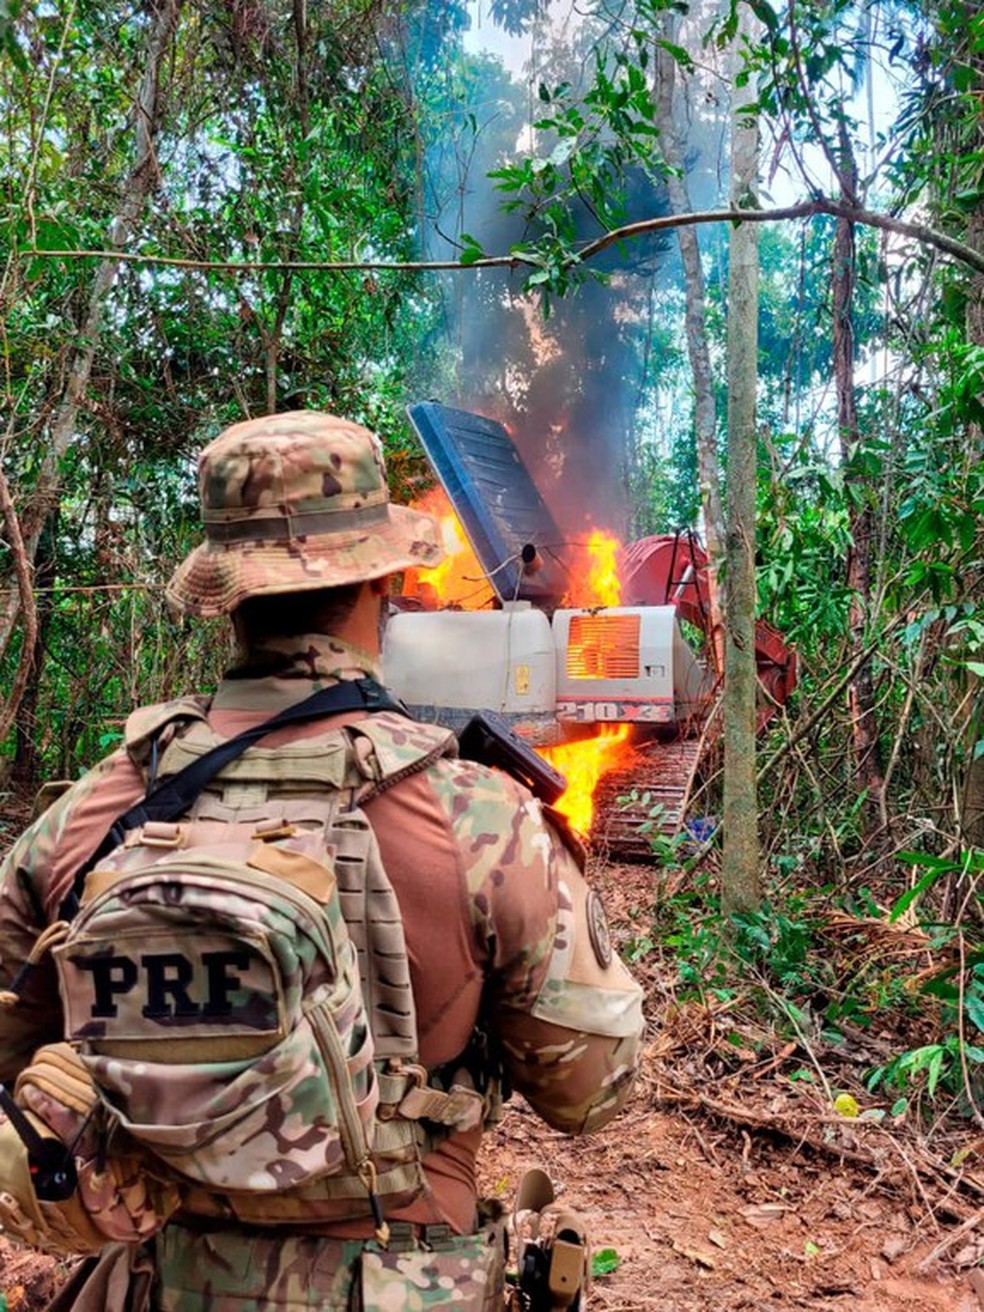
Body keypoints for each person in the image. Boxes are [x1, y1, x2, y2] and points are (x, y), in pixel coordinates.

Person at [0, 410, 644, 1311]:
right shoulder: (479, 818)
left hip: (161, 1282)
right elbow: (588, 1091)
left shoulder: (92, 814)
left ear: (225, 593)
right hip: (406, 1281)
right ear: (385, 581)